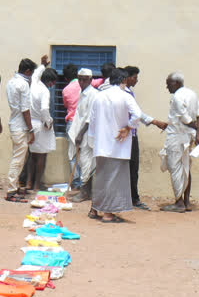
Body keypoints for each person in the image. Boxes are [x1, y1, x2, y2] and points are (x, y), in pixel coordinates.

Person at [87, 68, 143, 223]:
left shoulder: (98, 97)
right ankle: (108, 213)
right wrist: (128, 127)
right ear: (124, 80)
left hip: (101, 144)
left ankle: (94, 208)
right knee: (114, 179)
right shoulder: (125, 96)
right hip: (118, 144)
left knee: (101, 177)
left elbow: (92, 120)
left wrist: (92, 139)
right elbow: (137, 114)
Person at [122, 66, 167, 210]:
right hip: (128, 135)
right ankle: (133, 199)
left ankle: (130, 197)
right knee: (131, 168)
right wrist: (155, 122)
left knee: (130, 168)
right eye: (134, 77)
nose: (136, 80)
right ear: (127, 78)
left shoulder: (127, 93)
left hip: (128, 135)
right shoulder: (125, 94)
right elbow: (138, 114)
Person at [159, 72, 199, 213]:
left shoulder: (177, 97)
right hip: (188, 137)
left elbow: (186, 119)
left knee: (175, 168)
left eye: (168, 84)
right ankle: (186, 202)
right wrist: (198, 134)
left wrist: (195, 128)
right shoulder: (192, 94)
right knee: (186, 167)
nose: (167, 87)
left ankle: (179, 203)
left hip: (177, 137)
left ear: (176, 83)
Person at [4, 58, 37, 202]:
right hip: (21, 126)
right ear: (28, 71)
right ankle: (11, 190)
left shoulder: (11, 82)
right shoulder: (23, 84)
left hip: (14, 123)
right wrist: (31, 129)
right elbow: (25, 109)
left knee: (17, 158)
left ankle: (14, 186)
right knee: (18, 160)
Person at [66, 69, 99, 202]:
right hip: (79, 132)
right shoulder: (82, 93)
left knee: (86, 163)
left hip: (87, 134)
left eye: (84, 79)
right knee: (83, 162)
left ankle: (85, 192)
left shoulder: (93, 94)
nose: (81, 82)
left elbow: (90, 118)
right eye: (79, 79)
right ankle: (86, 191)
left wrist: (80, 134)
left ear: (91, 80)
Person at [29, 58, 59, 191]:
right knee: (42, 155)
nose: (53, 85)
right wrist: (48, 122)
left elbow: (36, 73)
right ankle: (37, 185)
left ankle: (29, 183)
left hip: (30, 124)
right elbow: (44, 109)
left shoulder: (34, 83)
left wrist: (42, 65)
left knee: (32, 154)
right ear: (50, 81)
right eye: (53, 82)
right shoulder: (45, 91)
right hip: (41, 125)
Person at [61, 64, 80, 134]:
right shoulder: (85, 84)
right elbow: (98, 82)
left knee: (71, 145)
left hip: (71, 123)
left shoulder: (65, 90)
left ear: (66, 78)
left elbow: (66, 105)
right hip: (84, 124)